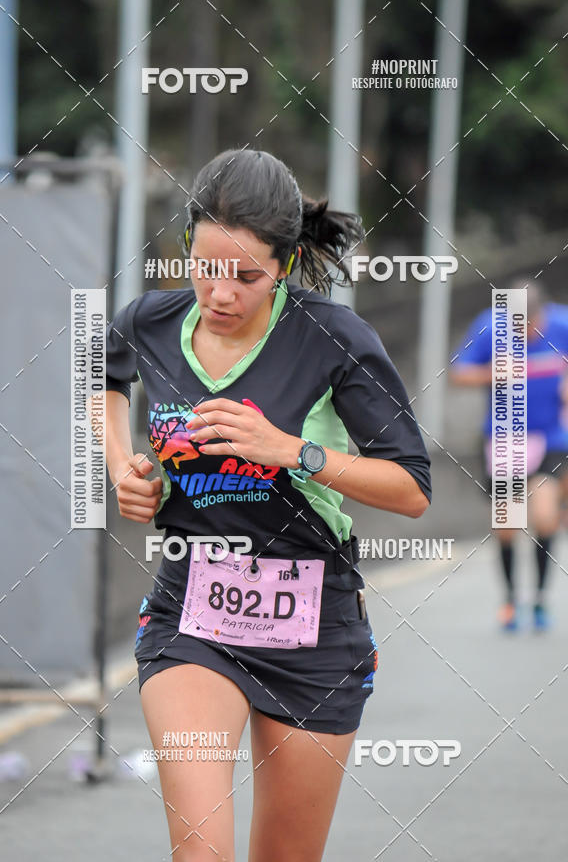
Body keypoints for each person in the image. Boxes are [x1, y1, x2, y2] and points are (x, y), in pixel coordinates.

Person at [104, 148, 432, 862]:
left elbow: (411, 488)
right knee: (203, 852)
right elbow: (102, 371)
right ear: (188, 245)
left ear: (282, 265)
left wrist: (293, 449)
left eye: (246, 276)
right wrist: (121, 469)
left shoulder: (332, 338)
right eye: (207, 267)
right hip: (193, 615)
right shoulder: (152, 322)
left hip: (313, 626)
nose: (221, 293)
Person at [450, 279, 568, 632]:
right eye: (518, 327)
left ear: (542, 314)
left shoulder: (565, 323)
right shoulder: (488, 328)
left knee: (544, 516)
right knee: (506, 526)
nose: (526, 333)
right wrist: (493, 373)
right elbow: (458, 373)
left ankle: (541, 600)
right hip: (504, 438)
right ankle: (512, 601)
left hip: (550, 436)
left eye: (531, 326)